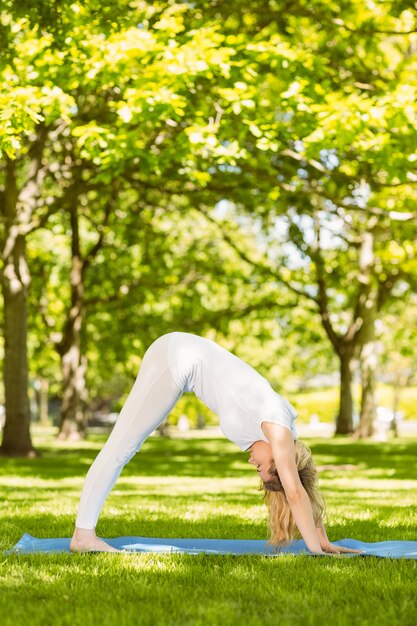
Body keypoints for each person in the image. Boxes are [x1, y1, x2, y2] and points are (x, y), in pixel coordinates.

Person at [70, 332, 361, 555]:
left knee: (124, 445)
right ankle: (83, 536)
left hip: (178, 359)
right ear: (278, 458)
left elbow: (300, 483)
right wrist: (314, 550)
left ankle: (84, 534)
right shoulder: (278, 429)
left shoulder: (279, 433)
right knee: (122, 445)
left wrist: (321, 535)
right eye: (260, 466)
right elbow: (295, 490)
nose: (251, 463)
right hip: (176, 357)